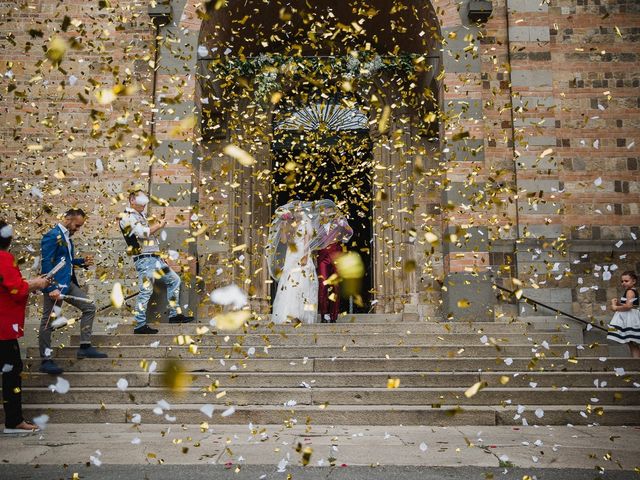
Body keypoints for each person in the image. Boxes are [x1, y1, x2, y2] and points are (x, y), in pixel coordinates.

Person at [39, 209, 107, 376]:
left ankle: (84, 347)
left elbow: (65, 261)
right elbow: (46, 262)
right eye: (77, 225)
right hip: (55, 285)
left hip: (68, 282)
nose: (78, 229)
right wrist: (50, 287)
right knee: (48, 320)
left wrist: (80, 262)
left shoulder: (67, 237)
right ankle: (45, 360)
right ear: (68, 218)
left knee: (90, 306)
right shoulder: (52, 235)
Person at [119, 190, 193, 334]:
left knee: (174, 280)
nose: (145, 203)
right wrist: (159, 225)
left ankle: (174, 315)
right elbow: (142, 233)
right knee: (146, 291)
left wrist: (159, 255)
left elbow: (147, 239)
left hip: (154, 258)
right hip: (145, 260)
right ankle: (139, 325)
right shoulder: (126, 217)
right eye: (141, 200)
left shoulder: (139, 215)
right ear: (132, 200)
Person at [0, 220, 50, 433]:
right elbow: (16, 288)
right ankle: (14, 421)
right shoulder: (3, 257)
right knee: (12, 371)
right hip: (2, 328)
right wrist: (36, 284)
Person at [269, 202, 319, 324]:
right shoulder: (290, 224)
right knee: (289, 283)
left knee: (303, 283)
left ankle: (301, 314)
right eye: (296, 210)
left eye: (300, 210)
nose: (298, 212)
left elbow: (307, 241)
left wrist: (305, 257)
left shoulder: (306, 223)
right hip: (291, 254)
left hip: (302, 252)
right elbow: (284, 240)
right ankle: (288, 313)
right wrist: (283, 227)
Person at [316, 213, 353, 323]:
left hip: (336, 257)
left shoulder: (339, 224)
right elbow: (313, 242)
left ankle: (333, 316)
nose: (327, 214)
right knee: (323, 286)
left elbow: (350, 233)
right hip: (323, 258)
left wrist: (344, 223)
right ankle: (324, 314)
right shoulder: (318, 226)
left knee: (335, 286)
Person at [607, 270, 640, 358]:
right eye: (622, 281)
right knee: (632, 343)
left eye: (626, 281)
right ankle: (636, 361)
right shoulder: (632, 291)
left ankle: (636, 362)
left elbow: (629, 306)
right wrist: (619, 304)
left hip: (630, 317)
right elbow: (630, 305)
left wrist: (615, 307)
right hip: (632, 315)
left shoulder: (630, 291)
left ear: (633, 281)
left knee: (632, 342)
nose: (623, 283)